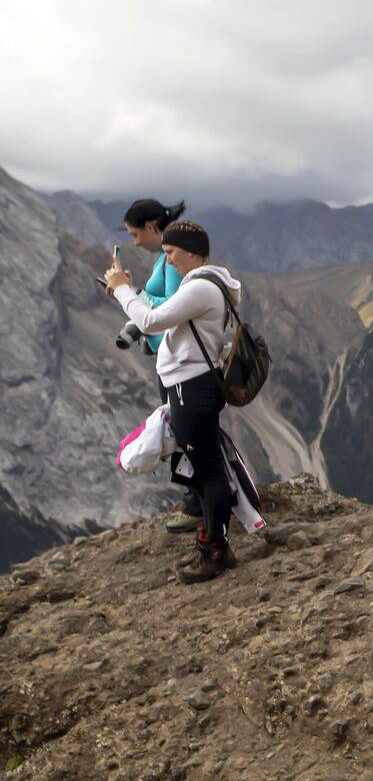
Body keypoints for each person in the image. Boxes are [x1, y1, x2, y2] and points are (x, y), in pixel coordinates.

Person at [104, 219, 242, 584]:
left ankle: (216, 551)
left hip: (191, 389)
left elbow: (150, 321)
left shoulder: (199, 288)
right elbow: (161, 317)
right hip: (193, 386)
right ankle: (212, 544)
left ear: (191, 251)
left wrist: (122, 292)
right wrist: (127, 289)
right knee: (204, 468)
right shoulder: (207, 283)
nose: (169, 262)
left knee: (209, 471)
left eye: (171, 253)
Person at [122, 198, 201, 535]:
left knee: (179, 430)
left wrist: (132, 293)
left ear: (152, 228)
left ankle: (196, 502)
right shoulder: (164, 259)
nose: (134, 241)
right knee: (180, 428)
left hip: (175, 360)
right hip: (170, 358)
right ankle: (196, 497)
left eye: (135, 234)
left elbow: (171, 308)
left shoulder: (168, 262)